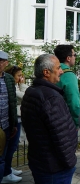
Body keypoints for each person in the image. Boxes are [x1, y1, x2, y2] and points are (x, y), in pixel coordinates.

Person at [21, 54, 77, 183]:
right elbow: (61, 136)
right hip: (54, 167)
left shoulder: (32, 91)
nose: (61, 71)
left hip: (40, 161)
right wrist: (70, 162)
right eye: (58, 68)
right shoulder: (50, 98)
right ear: (46, 72)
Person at [3, 66, 28, 182]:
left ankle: (7, 169)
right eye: (18, 76)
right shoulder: (11, 87)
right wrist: (22, 85)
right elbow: (25, 96)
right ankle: (5, 173)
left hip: (17, 119)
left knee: (12, 147)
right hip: (14, 119)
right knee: (10, 147)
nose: (21, 78)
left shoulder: (15, 86)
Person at [0, 51, 18, 184]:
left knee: (3, 156)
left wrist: (14, 124)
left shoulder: (8, 78)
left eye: (1, 61)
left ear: (6, 63)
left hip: (5, 125)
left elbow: (12, 103)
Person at [54, 45, 80, 127]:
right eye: (74, 55)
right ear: (68, 58)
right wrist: (78, 122)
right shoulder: (69, 75)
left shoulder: (51, 71)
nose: (75, 57)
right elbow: (74, 102)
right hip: (66, 120)